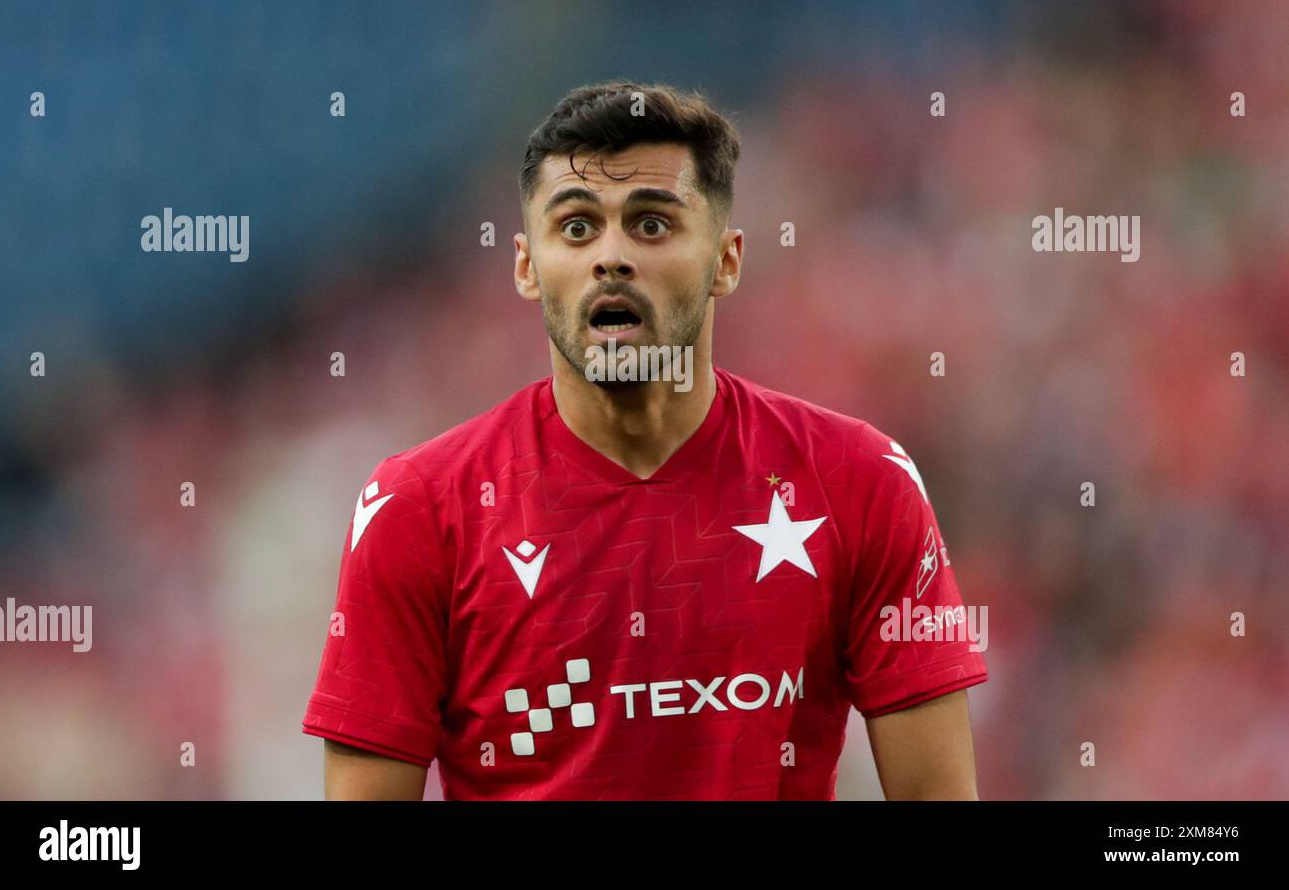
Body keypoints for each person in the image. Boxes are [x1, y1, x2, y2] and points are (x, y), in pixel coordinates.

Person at [303, 80, 987, 799]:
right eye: (575, 227)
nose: (611, 257)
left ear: (726, 260)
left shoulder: (859, 480)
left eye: (652, 224)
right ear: (527, 267)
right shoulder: (418, 509)